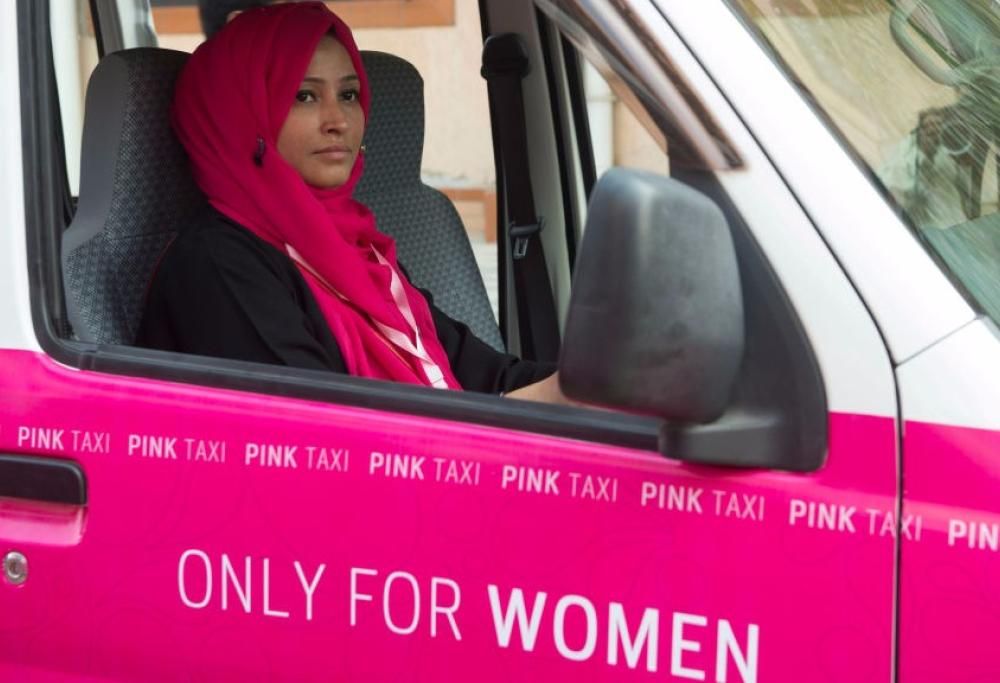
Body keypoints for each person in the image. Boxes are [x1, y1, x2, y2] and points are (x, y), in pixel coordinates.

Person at [137, 2, 565, 402]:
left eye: (348, 95)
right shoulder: (217, 266)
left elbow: (487, 377)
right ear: (241, 115)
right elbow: (327, 434)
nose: (338, 121)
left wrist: (584, 388)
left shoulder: (359, 247)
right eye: (304, 95)